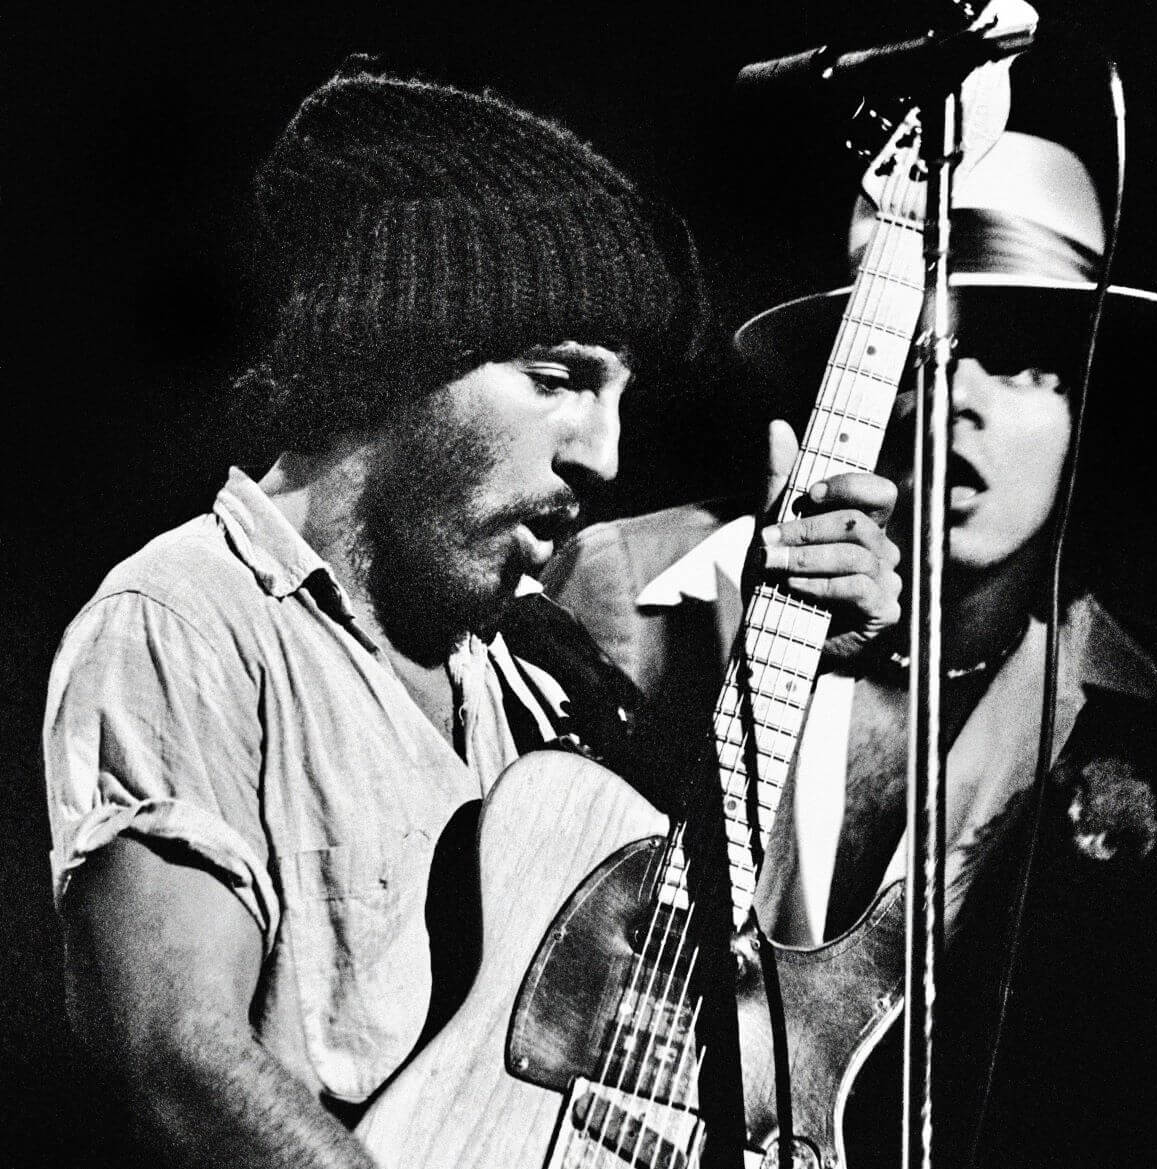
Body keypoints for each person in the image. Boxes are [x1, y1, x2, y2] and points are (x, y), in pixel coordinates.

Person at [42, 61, 902, 1169]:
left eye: (621, 394)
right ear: (401, 352)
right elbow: (182, 1058)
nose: (605, 454)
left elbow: (685, 1000)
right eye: (560, 377)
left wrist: (831, 657)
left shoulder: (534, 670)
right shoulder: (187, 619)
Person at [544, 131, 1157, 1168]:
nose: (967, 398)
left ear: (1086, 410)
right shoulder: (639, 588)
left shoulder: (1148, 727)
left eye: (1030, 362)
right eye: (933, 349)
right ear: (852, 366)